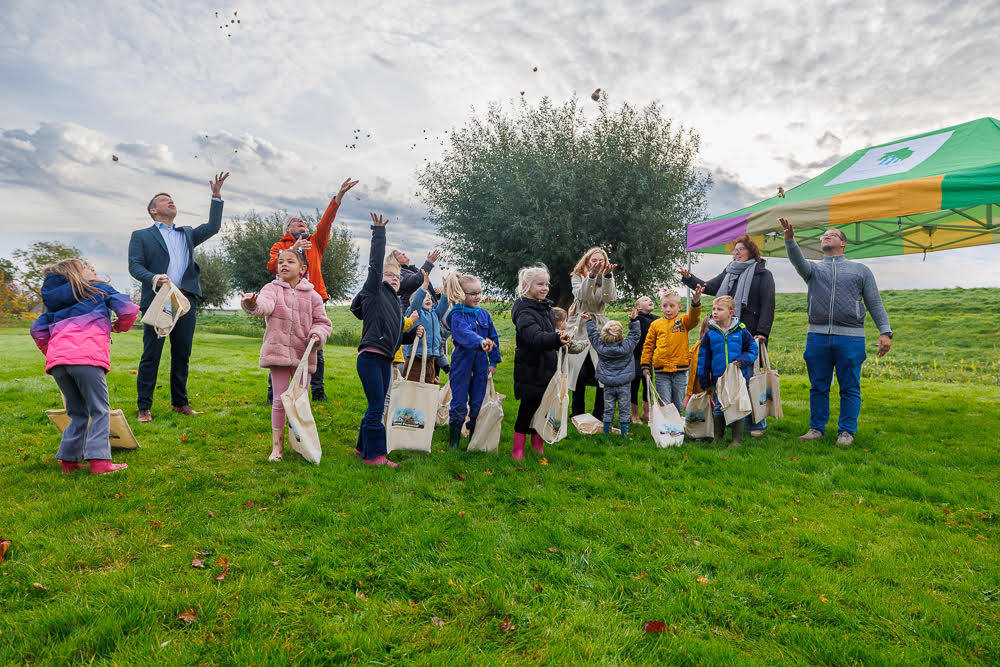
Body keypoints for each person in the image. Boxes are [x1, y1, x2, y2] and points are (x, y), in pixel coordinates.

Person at [779, 217, 892, 446]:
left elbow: (875, 302)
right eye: (824, 235)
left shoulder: (860, 270)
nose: (826, 236)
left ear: (843, 243)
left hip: (851, 338)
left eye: (832, 234)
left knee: (849, 386)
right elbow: (797, 261)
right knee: (818, 385)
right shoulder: (813, 270)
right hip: (817, 336)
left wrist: (885, 331)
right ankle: (816, 428)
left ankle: (846, 432)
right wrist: (790, 240)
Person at [128, 172, 229, 423]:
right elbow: (135, 266)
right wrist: (154, 278)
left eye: (171, 198)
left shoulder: (186, 233)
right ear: (153, 210)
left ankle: (180, 403)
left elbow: (213, 227)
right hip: (159, 299)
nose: (170, 201)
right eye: (164, 200)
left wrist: (216, 197)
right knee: (151, 354)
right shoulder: (141, 236)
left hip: (185, 301)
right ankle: (144, 407)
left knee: (182, 354)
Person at [29, 259, 139, 475]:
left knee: (77, 412)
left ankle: (69, 462)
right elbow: (127, 309)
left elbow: (37, 330)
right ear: (77, 274)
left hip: (59, 364)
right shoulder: (98, 290)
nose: (93, 270)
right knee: (99, 410)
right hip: (86, 359)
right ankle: (100, 462)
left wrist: (54, 353)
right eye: (88, 267)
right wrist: (121, 326)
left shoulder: (55, 303)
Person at [265, 177, 359, 402]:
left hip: (312, 299)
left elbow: (326, 222)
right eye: (297, 222)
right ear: (287, 228)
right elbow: (271, 266)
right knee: (281, 343)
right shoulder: (280, 246)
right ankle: (274, 394)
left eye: (304, 222)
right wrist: (293, 250)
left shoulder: (316, 242)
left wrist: (339, 196)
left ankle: (317, 392)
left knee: (316, 344)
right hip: (284, 299)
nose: (302, 224)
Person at [240, 249, 332, 461]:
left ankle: (300, 442)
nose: (284, 265)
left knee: (300, 402)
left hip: (303, 356)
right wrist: (251, 302)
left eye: (290, 261)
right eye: (281, 261)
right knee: (279, 401)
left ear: (302, 269)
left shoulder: (314, 296)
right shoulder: (271, 289)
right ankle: (277, 448)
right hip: (278, 353)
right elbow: (264, 304)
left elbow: (323, 323)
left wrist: (317, 335)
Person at [680, 234, 774, 437]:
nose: (736, 253)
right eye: (734, 250)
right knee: (727, 381)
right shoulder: (729, 272)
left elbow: (768, 304)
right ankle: (731, 421)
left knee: (750, 381)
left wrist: (762, 332)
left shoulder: (762, 274)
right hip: (724, 332)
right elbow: (709, 287)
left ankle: (756, 424)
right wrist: (688, 278)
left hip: (749, 334)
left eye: (740, 249)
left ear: (751, 251)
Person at [349, 213, 420, 467]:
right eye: (389, 275)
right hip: (369, 357)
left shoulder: (396, 306)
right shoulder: (373, 292)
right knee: (377, 406)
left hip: (385, 359)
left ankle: (361, 449)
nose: (394, 278)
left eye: (398, 277)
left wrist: (412, 333)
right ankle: (376, 456)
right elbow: (375, 265)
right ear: (379, 278)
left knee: (374, 405)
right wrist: (379, 234)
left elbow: (397, 336)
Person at [510, 265, 572, 459]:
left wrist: (558, 340)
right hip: (530, 368)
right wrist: (555, 339)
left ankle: (537, 446)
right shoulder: (524, 310)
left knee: (544, 409)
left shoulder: (545, 307)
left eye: (547, 284)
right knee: (527, 410)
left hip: (546, 367)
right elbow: (533, 336)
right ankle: (517, 450)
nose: (545, 288)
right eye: (540, 284)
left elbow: (546, 335)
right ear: (527, 285)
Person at [444, 273, 501, 451]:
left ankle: (473, 438)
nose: (477, 297)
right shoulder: (457, 315)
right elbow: (463, 333)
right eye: (472, 293)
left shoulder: (484, 314)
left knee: (477, 402)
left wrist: (494, 361)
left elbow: (494, 337)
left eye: (479, 292)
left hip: (481, 364)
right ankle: (454, 442)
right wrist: (479, 341)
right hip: (462, 363)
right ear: (461, 294)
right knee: (459, 403)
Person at [697, 296, 759, 447]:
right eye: (713, 309)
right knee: (719, 405)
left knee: (737, 405)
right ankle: (718, 437)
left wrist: (743, 359)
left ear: (730, 313)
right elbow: (703, 357)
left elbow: (753, 349)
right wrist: (704, 378)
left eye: (719, 309)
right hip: (718, 378)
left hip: (737, 377)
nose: (715, 312)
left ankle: (736, 440)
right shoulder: (710, 333)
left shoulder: (741, 331)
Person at [565, 247, 618, 420]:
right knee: (578, 372)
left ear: (605, 262)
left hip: (599, 327)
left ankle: (599, 414)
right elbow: (581, 296)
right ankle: (577, 413)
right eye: (594, 260)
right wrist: (592, 276)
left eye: (601, 260)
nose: (597, 263)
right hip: (580, 327)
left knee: (602, 373)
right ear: (588, 261)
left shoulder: (607, 277)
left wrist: (608, 277)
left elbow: (610, 298)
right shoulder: (577, 276)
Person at [640, 287, 704, 417]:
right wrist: (645, 365)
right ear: (661, 307)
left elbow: (695, 318)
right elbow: (648, 346)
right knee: (664, 403)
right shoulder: (655, 324)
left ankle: (677, 432)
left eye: (672, 306)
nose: (668, 309)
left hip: (680, 370)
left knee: (678, 403)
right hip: (661, 371)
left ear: (679, 307)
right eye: (665, 306)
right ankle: (666, 432)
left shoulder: (684, 321)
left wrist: (696, 302)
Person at [582, 310, 641, 438]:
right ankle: (625, 433)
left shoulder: (600, 347)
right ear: (621, 336)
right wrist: (633, 321)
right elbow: (635, 335)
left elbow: (593, 335)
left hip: (608, 384)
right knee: (624, 408)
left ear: (603, 336)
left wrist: (589, 321)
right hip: (624, 384)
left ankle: (607, 431)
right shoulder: (627, 347)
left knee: (608, 407)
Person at [403, 273, 448, 383]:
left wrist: (445, 291)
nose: (428, 298)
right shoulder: (416, 312)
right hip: (416, 359)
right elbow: (416, 302)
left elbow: (443, 305)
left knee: (427, 388)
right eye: (424, 297)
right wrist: (424, 286)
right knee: (413, 388)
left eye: (429, 297)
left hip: (430, 359)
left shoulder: (434, 315)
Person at [629, 296, 658, 425]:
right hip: (636, 357)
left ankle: (646, 413)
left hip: (649, 357)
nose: (650, 300)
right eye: (645, 300)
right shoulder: (639, 319)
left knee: (647, 384)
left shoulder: (654, 318)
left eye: (650, 299)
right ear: (639, 307)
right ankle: (634, 415)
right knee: (634, 386)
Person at [685, 317, 711, 403]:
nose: (699, 328)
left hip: (703, 384)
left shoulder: (701, 345)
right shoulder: (698, 344)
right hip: (699, 384)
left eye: (701, 326)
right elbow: (689, 356)